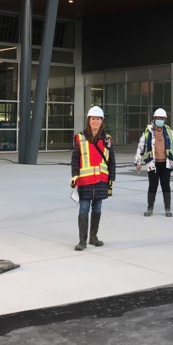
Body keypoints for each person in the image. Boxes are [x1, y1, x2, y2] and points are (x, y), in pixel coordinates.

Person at [70, 105, 115, 251]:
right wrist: (74, 175)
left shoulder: (107, 139)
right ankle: (82, 241)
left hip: (101, 181)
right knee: (83, 209)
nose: (95, 121)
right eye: (93, 119)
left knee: (97, 209)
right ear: (88, 120)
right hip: (85, 181)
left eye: (98, 119)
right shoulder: (80, 138)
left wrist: (112, 178)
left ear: (102, 121)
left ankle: (93, 237)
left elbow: (111, 161)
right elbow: (75, 159)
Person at [134, 107, 173, 217]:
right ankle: (150, 209)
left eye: (162, 118)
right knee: (152, 186)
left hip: (166, 164)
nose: (160, 120)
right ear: (154, 118)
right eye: (158, 118)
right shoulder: (148, 132)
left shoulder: (169, 132)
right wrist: (138, 162)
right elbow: (140, 147)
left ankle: (167, 209)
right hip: (152, 164)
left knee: (166, 186)